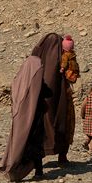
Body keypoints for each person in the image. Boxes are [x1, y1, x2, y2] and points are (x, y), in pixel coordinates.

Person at [0, 55, 47, 181]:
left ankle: (18, 169)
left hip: (21, 120)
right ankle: (37, 171)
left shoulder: (18, 80)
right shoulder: (36, 80)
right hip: (35, 120)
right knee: (35, 144)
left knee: (22, 143)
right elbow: (48, 93)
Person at [30, 32, 74, 166]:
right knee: (63, 122)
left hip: (40, 97)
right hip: (61, 98)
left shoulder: (38, 55)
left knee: (40, 126)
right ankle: (62, 156)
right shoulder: (62, 56)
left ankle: (38, 161)